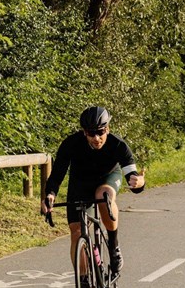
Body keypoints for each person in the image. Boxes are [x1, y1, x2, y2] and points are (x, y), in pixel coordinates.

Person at [42, 106, 144, 279]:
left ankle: (113, 246)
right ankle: (84, 283)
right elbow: (57, 174)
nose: (96, 138)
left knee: (102, 196)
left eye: (101, 132)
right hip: (80, 183)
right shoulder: (71, 144)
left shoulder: (118, 145)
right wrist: (50, 194)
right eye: (91, 133)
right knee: (76, 232)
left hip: (108, 178)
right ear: (84, 132)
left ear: (108, 129)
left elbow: (133, 176)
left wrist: (139, 182)